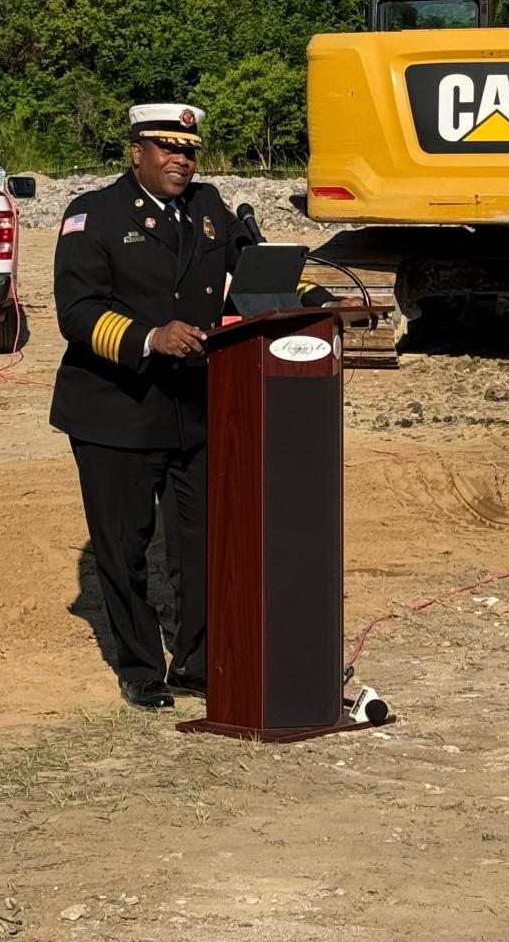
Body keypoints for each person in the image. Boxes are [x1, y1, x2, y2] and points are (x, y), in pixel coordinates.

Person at [51, 102, 340, 712]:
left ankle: (196, 662)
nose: (181, 159)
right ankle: (139, 667)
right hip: (117, 409)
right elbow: (76, 313)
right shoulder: (93, 214)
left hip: (198, 407)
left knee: (204, 543)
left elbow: (256, 274)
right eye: (167, 148)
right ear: (137, 152)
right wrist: (148, 337)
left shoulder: (211, 210)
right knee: (125, 546)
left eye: (189, 150)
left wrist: (317, 297)